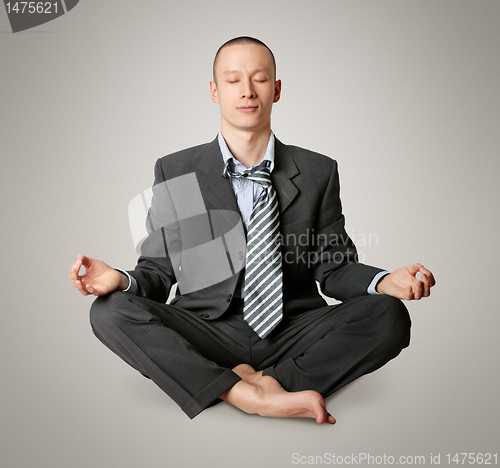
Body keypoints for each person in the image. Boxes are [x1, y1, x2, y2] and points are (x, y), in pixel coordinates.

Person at [69, 37, 435, 425]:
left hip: (291, 329)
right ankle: (246, 393)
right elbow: (158, 274)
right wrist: (120, 281)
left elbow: (334, 268)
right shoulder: (176, 170)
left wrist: (383, 281)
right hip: (207, 329)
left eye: (260, 79)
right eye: (232, 80)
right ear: (214, 91)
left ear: (276, 90)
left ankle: (266, 381)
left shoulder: (317, 172)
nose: (247, 90)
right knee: (108, 311)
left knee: (390, 317)